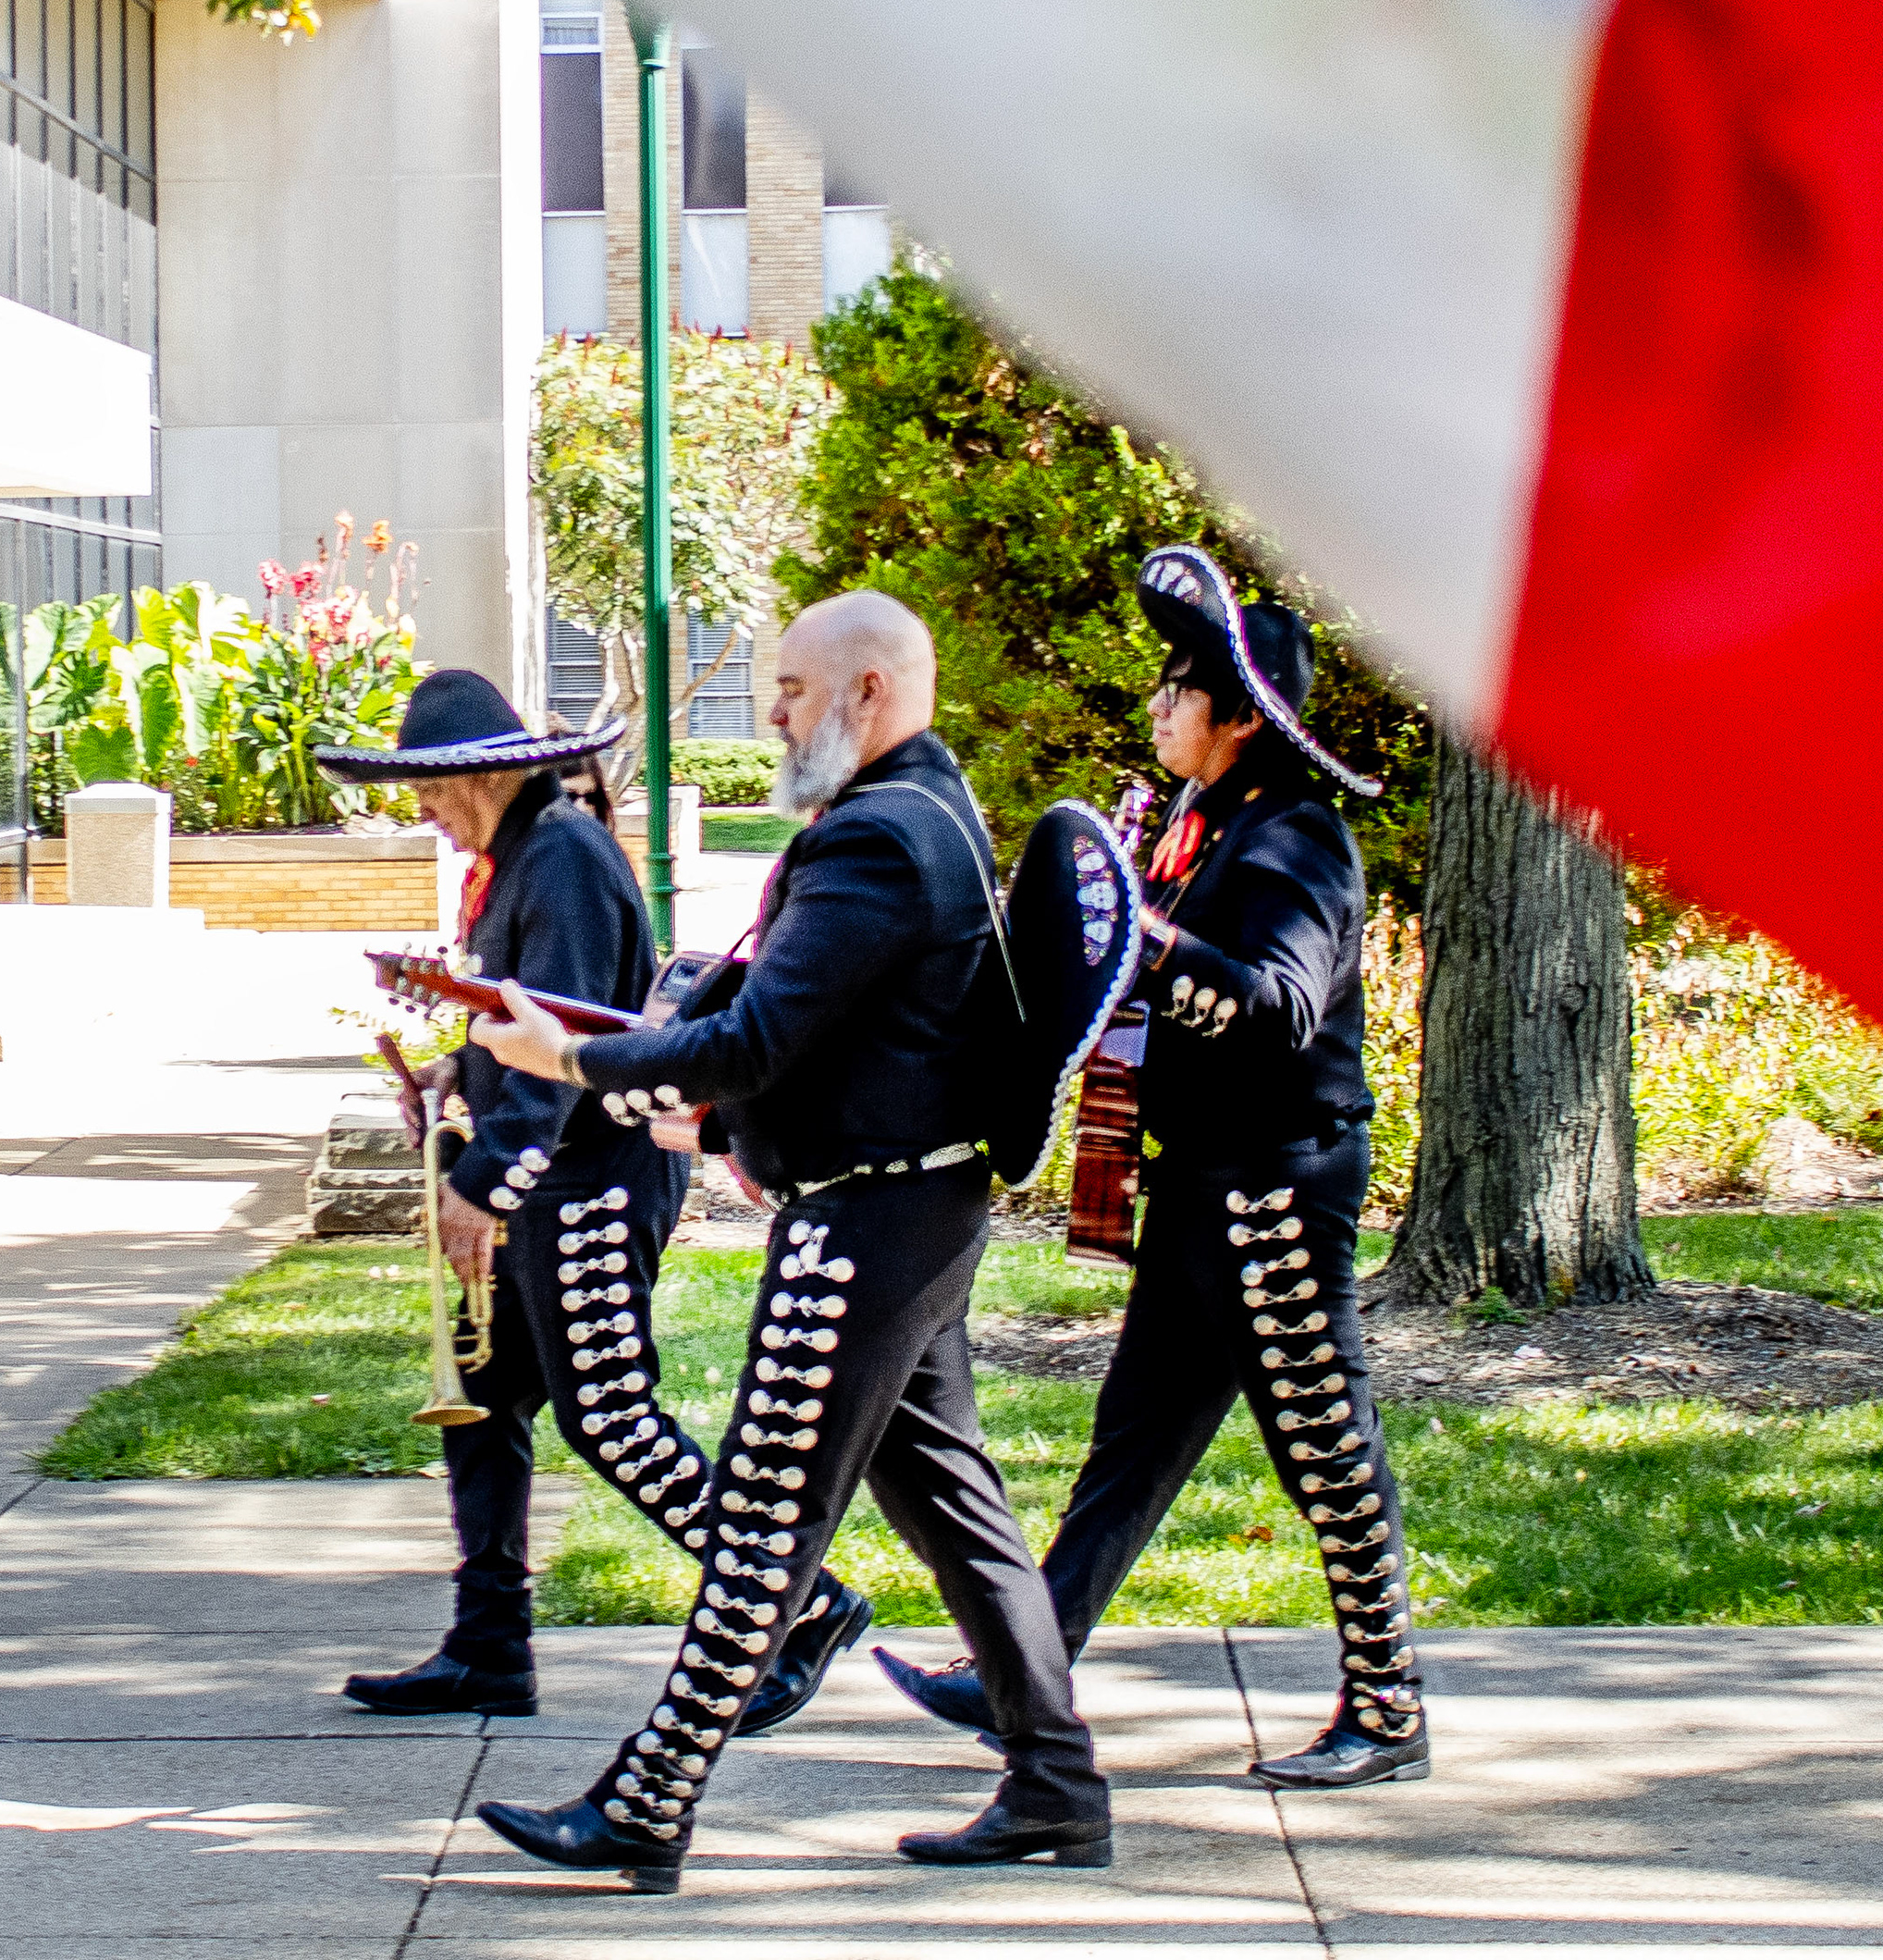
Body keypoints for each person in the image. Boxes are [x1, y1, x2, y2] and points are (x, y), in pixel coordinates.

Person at [468, 592, 1109, 1892]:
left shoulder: (877, 841)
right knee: (960, 1515)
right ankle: (1055, 1787)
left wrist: (577, 1058)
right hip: (909, 1207)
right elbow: (862, 1039)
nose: (771, 712)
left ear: (870, 690)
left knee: (764, 1523)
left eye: (792, 689)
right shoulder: (922, 817)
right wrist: (711, 1131)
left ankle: (648, 1802)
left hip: (871, 1225)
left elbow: (756, 1036)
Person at [880, 544, 1424, 1789]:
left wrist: (1147, 934)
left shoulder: (1296, 841)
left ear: (1242, 717)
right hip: (1199, 1181)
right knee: (1132, 1442)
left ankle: (1389, 1709)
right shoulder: (1197, 820)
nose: (1158, 706)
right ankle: (1029, 1668)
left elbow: (1279, 1007)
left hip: (1278, 1191)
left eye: (1180, 688)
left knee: (1323, 1446)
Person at [321, 669, 871, 1730]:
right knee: (483, 1402)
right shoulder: (527, 854)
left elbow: (560, 1058)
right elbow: (532, 1029)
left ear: (481, 776)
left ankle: (798, 1604)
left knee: (609, 1415)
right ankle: (488, 1645)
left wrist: (483, 1184)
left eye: (429, 789)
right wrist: (456, 1077)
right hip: (561, 1177)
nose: (423, 811)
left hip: (594, 1183)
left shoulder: (559, 857)